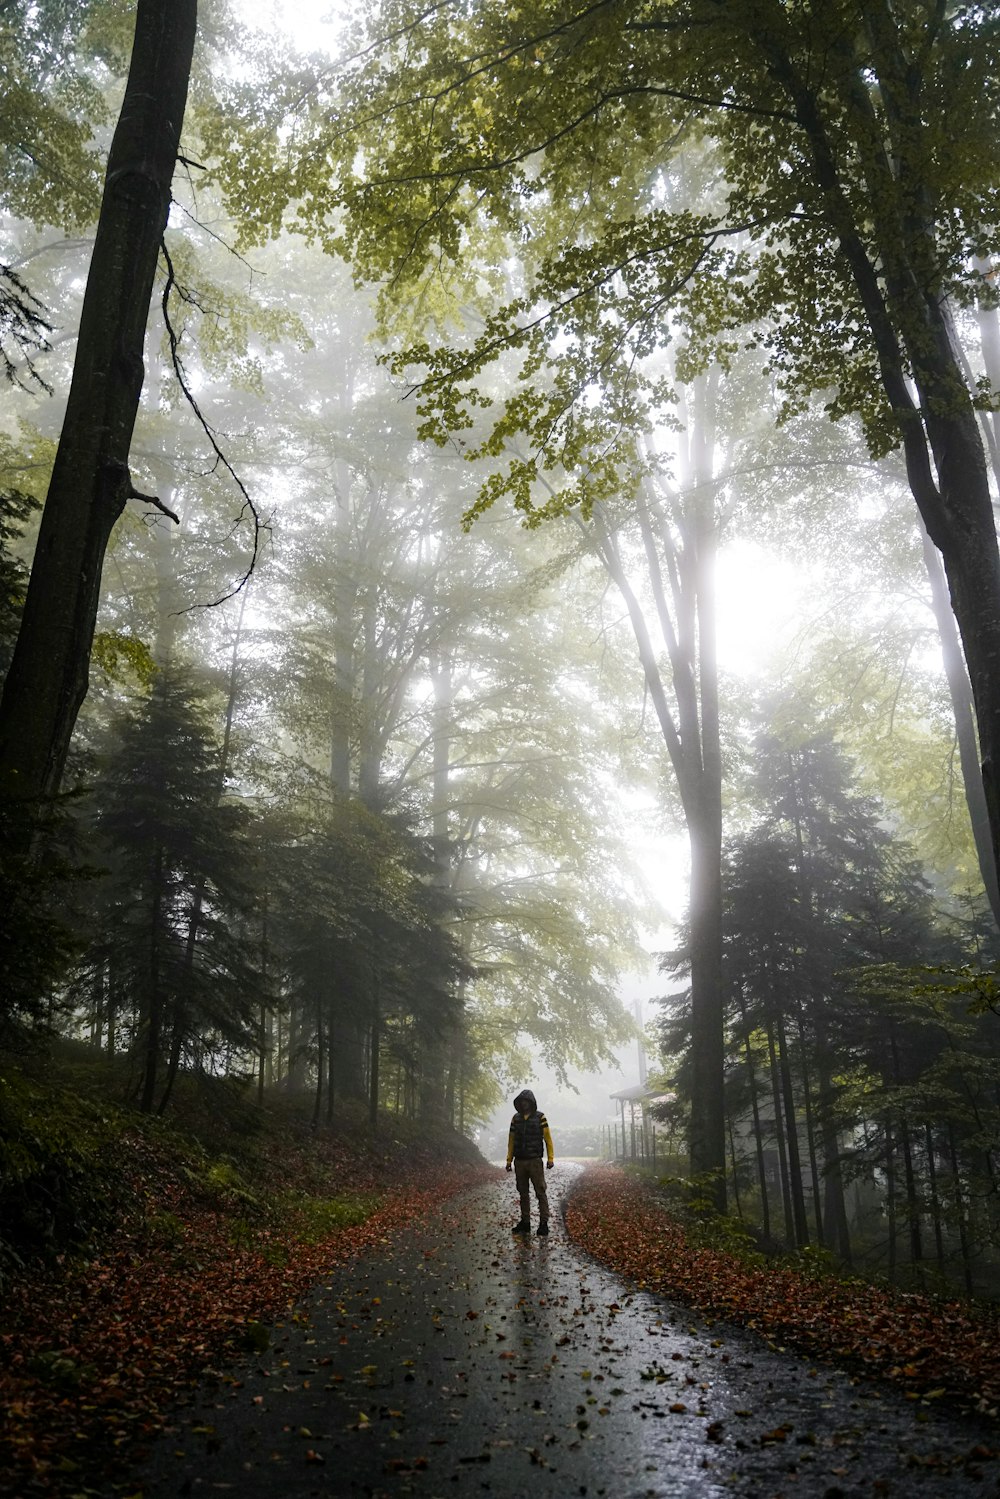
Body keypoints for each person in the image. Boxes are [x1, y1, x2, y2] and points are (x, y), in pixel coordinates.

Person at [505, 1088, 554, 1236]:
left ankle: (543, 1223)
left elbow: (548, 1139)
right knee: (523, 1193)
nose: (524, 1103)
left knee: (540, 1191)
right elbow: (511, 1140)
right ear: (519, 1103)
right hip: (519, 1161)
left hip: (534, 1160)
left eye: (526, 1101)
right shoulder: (515, 1119)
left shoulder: (541, 1117)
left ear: (531, 1102)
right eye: (521, 1101)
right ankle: (525, 1222)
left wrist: (550, 1158)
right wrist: (509, 1160)